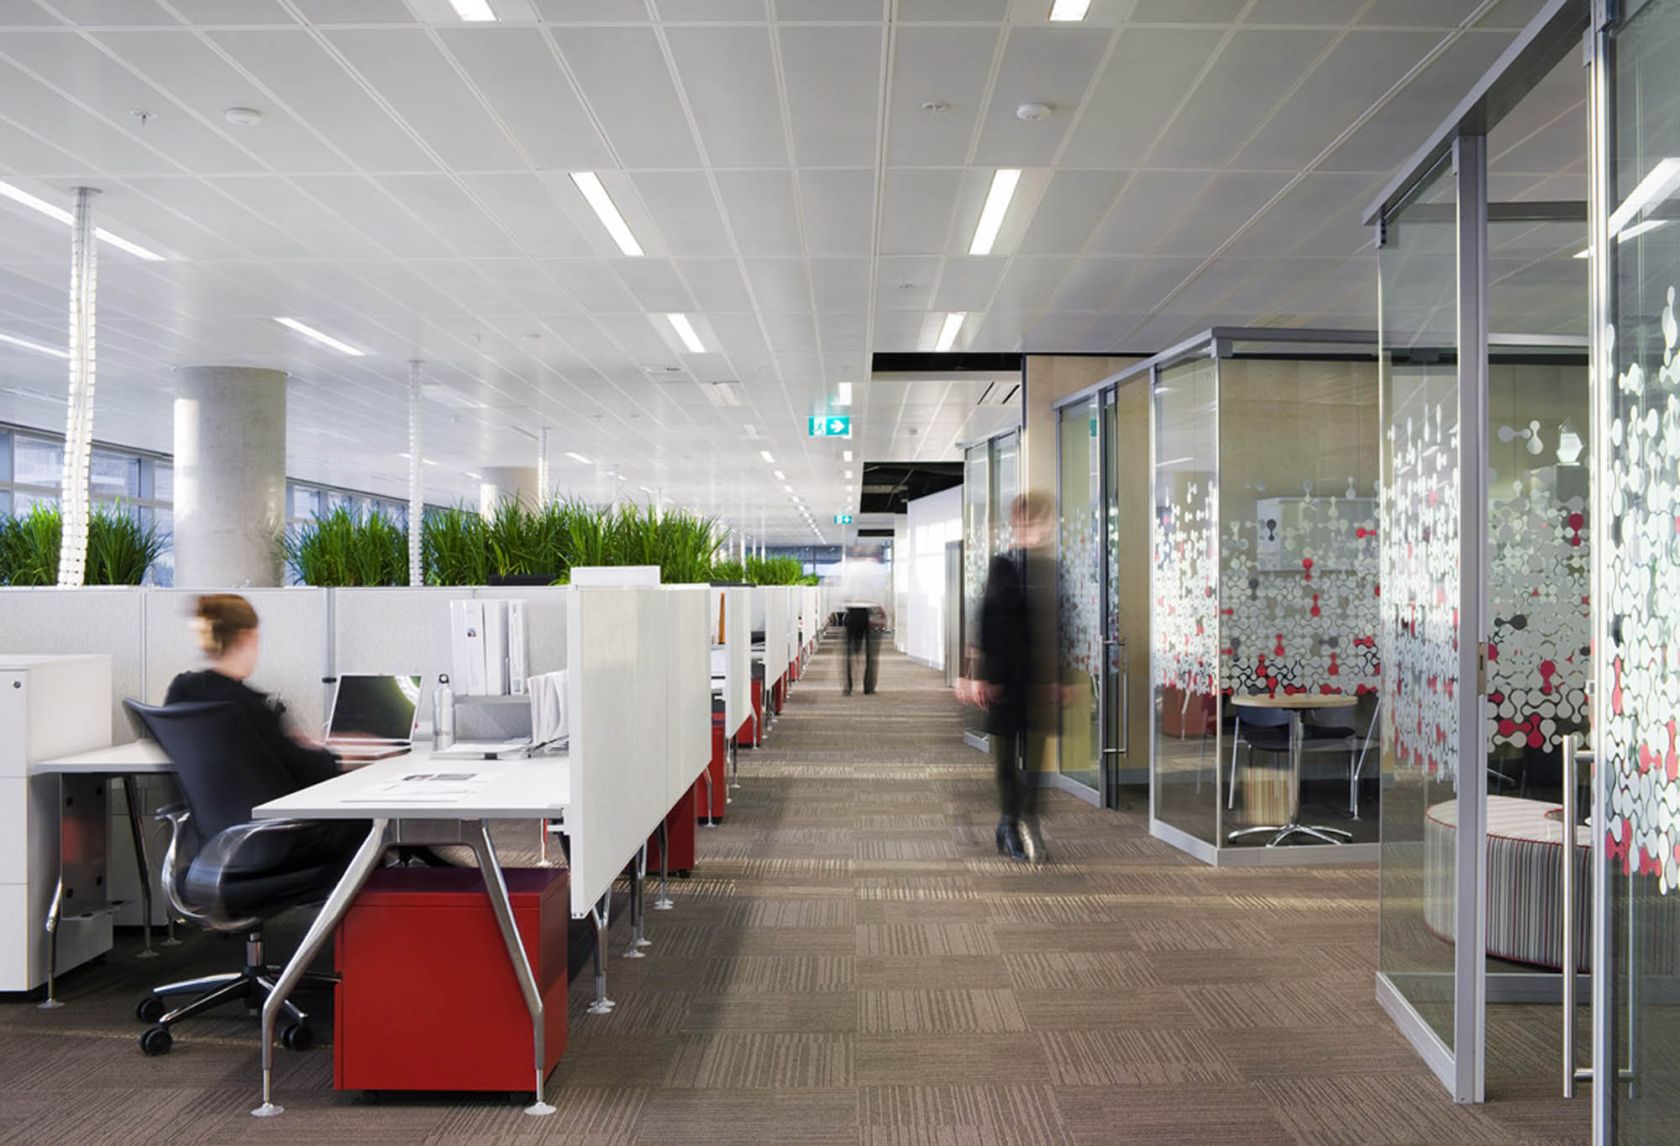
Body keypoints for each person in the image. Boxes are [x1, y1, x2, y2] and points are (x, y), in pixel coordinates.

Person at [959, 492, 1055, 863]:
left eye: (1042, 521)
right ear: (1017, 523)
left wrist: (1064, 678)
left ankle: (1024, 817)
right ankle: (1009, 821)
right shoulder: (1004, 565)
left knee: (1036, 760)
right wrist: (981, 676)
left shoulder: (1049, 567)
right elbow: (988, 621)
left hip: (1039, 679)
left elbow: (1060, 625)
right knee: (1006, 757)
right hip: (1005, 677)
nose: (1036, 528)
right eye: (1028, 521)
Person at [165, 594, 339, 789]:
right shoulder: (250, 707)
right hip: (267, 816)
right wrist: (331, 754)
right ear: (246, 637)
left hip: (204, 816)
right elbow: (311, 770)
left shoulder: (181, 690)